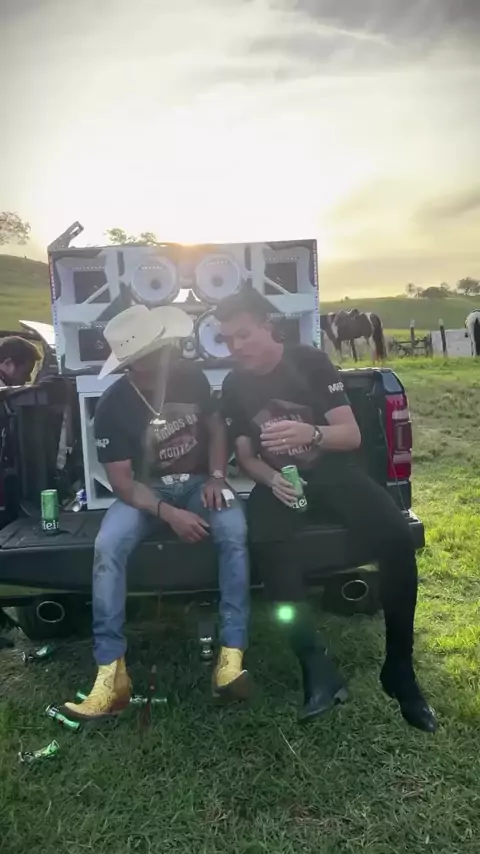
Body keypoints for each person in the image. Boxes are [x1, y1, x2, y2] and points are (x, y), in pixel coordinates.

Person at [215, 287, 436, 732]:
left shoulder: (310, 362)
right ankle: (316, 668)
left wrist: (311, 433)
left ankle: (400, 670)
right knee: (269, 546)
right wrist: (270, 479)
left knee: (396, 538)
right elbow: (246, 456)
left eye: (243, 334)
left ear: (267, 326)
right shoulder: (234, 384)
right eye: (227, 339)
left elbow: (350, 435)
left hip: (333, 471)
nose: (235, 346)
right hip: (280, 481)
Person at [61, 304, 250, 721]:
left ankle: (230, 658)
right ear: (137, 363)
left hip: (200, 482)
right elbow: (123, 483)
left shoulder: (190, 377)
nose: (166, 357)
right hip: (147, 493)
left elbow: (216, 427)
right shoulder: (113, 405)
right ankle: (110, 674)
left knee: (233, 530)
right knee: (108, 546)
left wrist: (218, 476)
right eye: (153, 355)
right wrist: (169, 513)